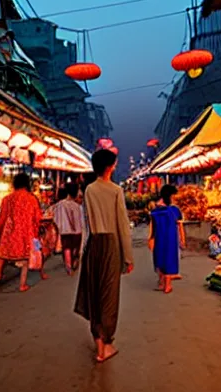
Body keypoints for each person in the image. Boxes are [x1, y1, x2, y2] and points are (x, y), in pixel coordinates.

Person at [74, 149, 134, 364]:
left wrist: (82, 252)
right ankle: (104, 348)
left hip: (94, 245)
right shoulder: (115, 190)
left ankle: (99, 344)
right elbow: (123, 226)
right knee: (108, 296)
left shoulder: (89, 190)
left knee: (94, 293)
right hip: (110, 245)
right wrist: (128, 256)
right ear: (111, 166)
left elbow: (87, 223)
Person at [0, 173, 46, 292]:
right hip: (28, 232)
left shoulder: (7, 199)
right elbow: (38, 217)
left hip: (9, 232)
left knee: (2, 257)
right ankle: (23, 284)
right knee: (27, 258)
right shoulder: (32, 199)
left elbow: (2, 219)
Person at [148, 185, 185, 294]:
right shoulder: (174, 210)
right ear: (170, 195)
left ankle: (161, 283)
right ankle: (167, 285)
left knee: (159, 259)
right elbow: (180, 226)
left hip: (159, 237)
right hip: (171, 239)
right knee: (169, 259)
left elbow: (152, 226)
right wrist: (182, 239)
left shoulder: (155, 210)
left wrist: (150, 238)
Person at [54, 183, 84, 275]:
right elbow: (81, 219)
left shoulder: (60, 204)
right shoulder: (78, 206)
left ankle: (69, 267)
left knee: (67, 248)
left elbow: (56, 218)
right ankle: (74, 262)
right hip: (77, 231)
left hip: (65, 230)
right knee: (75, 248)